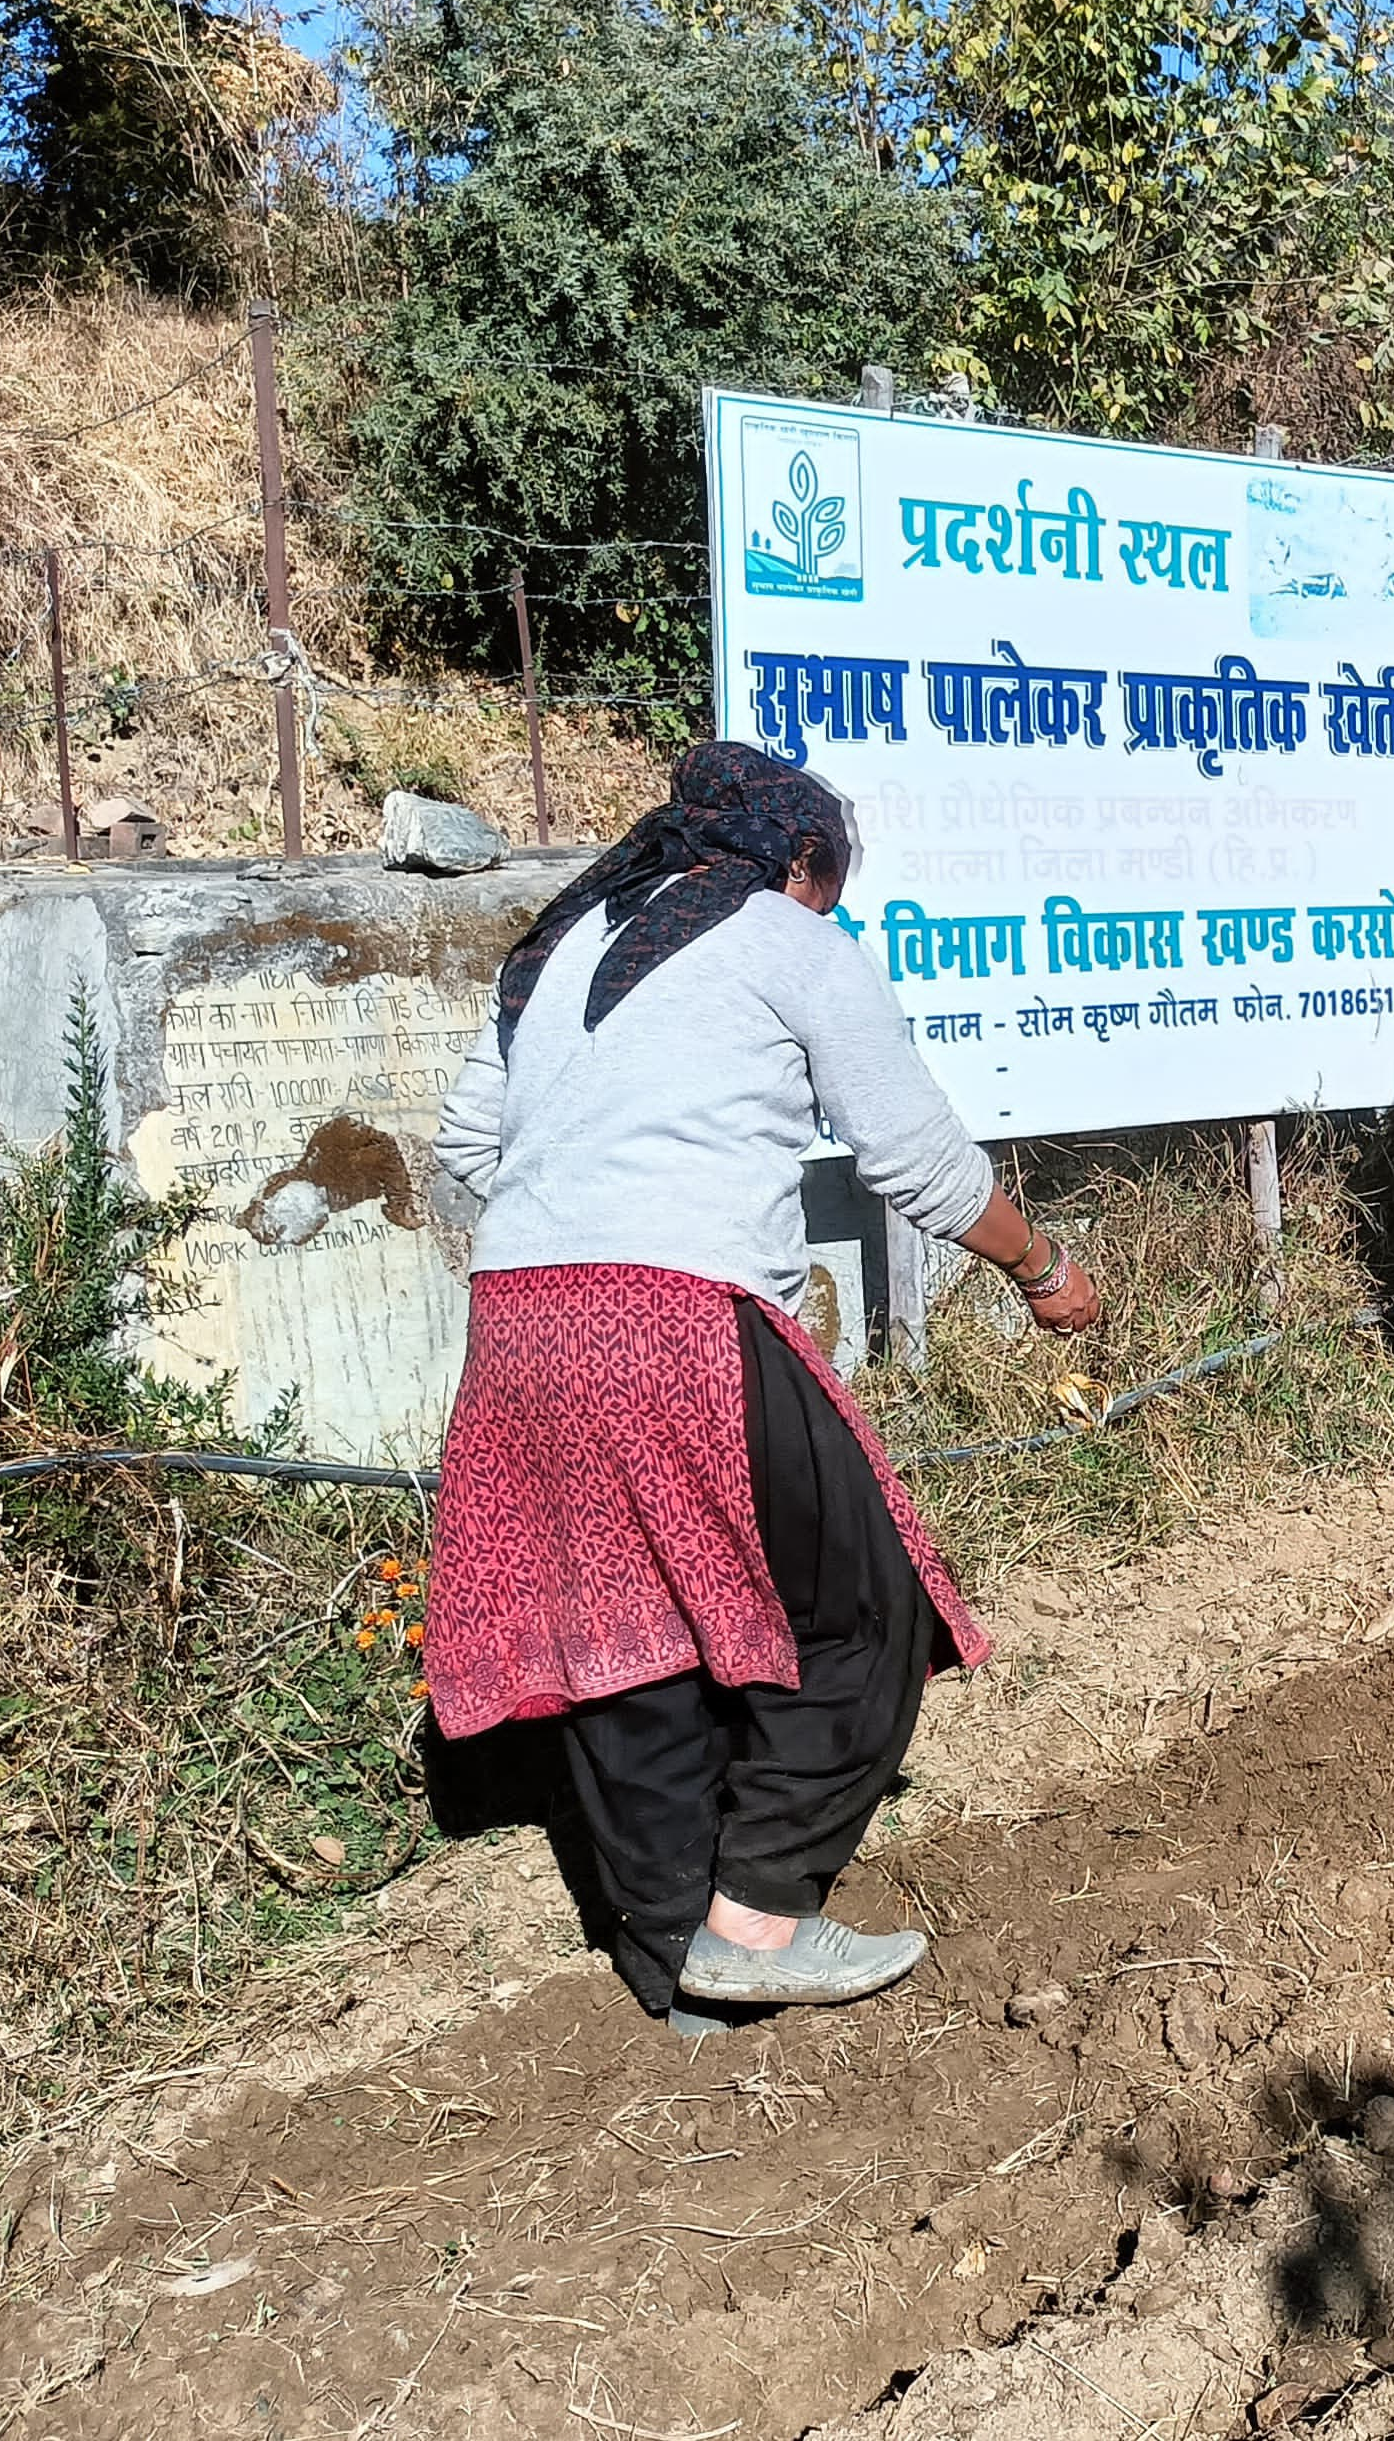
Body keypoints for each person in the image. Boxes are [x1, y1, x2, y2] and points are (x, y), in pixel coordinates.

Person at [424, 741, 1103, 2037]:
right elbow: (916, 1158)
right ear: (795, 860)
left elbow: (466, 1148)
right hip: (675, 1316)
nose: (831, 908)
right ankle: (756, 1915)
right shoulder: (785, 942)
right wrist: (1044, 1267)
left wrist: (573, 1210)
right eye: (830, 884)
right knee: (863, 1603)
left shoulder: (563, 944)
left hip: (517, 1322)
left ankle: (672, 1953)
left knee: (623, 1635)